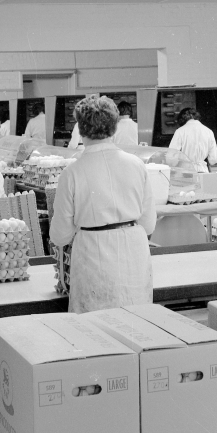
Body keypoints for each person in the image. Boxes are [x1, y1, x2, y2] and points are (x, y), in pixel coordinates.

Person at [50, 96, 156, 313]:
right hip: (133, 253)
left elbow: (60, 236)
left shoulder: (72, 173)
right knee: (136, 321)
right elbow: (148, 224)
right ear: (114, 127)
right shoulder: (136, 165)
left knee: (95, 327)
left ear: (80, 129)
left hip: (93, 255)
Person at [168, 107, 217, 173]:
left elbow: (171, 159)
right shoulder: (209, 132)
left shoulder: (180, 131)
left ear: (181, 120)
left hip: (185, 173)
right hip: (203, 172)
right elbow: (214, 159)